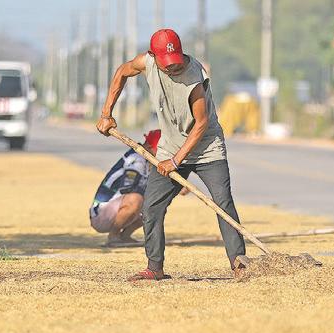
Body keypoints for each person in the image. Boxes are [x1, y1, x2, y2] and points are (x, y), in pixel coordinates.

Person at [96, 28, 247, 281]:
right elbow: (122, 72)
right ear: (153, 57)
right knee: (152, 206)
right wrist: (106, 113)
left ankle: (239, 264)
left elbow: (201, 124)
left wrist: (176, 161)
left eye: (176, 64)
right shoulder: (147, 63)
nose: (174, 69)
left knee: (223, 204)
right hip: (169, 147)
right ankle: (155, 267)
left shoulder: (194, 77)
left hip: (207, 149)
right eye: (168, 66)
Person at [89, 130, 161, 245]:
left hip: (117, 209)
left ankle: (125, 236)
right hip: (102, 214)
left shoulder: (148, 162)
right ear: (148, 147)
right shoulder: (135, 158)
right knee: (137, 199)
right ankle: (114, 236)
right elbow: (128, 188)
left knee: (156, 204)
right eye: (160, 151)